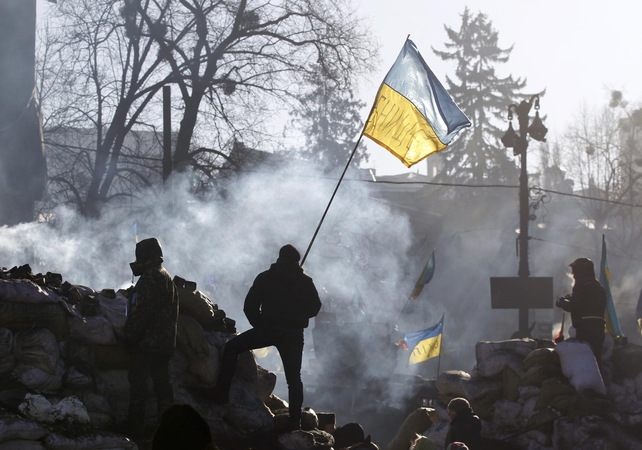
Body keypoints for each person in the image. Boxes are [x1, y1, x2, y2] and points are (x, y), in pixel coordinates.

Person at [211, 244, 322, 431]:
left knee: (232, 347)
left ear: (279, 258)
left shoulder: (265, 277)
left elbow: (249, 307)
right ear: (296, 261)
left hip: (268, 329)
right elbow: (315, 307)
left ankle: (221, 393)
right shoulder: (304, 281)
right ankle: (295, 423)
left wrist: (261, 325)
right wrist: (297, 315)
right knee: (294, 379)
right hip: (293, 334)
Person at [123, 237, 179, 438]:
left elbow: (142, 312)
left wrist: (129, 336)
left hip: (148, 341)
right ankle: (168, 429)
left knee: (138, 382)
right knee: (162, 384)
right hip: (164, 342)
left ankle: (135, 428)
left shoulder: (150, 277)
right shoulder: (165, 276)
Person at [556, 257, 606, 363]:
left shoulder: (581, 285)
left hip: (585, 329)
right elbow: (585, 301)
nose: (573, 274)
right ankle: (599, 378)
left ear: (580, 271)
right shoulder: (598, 286)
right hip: (599, 329)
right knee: (596, 360)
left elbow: (573, 306)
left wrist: (561, 302)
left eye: (575, 271)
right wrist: (571, 298)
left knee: (584, 360)